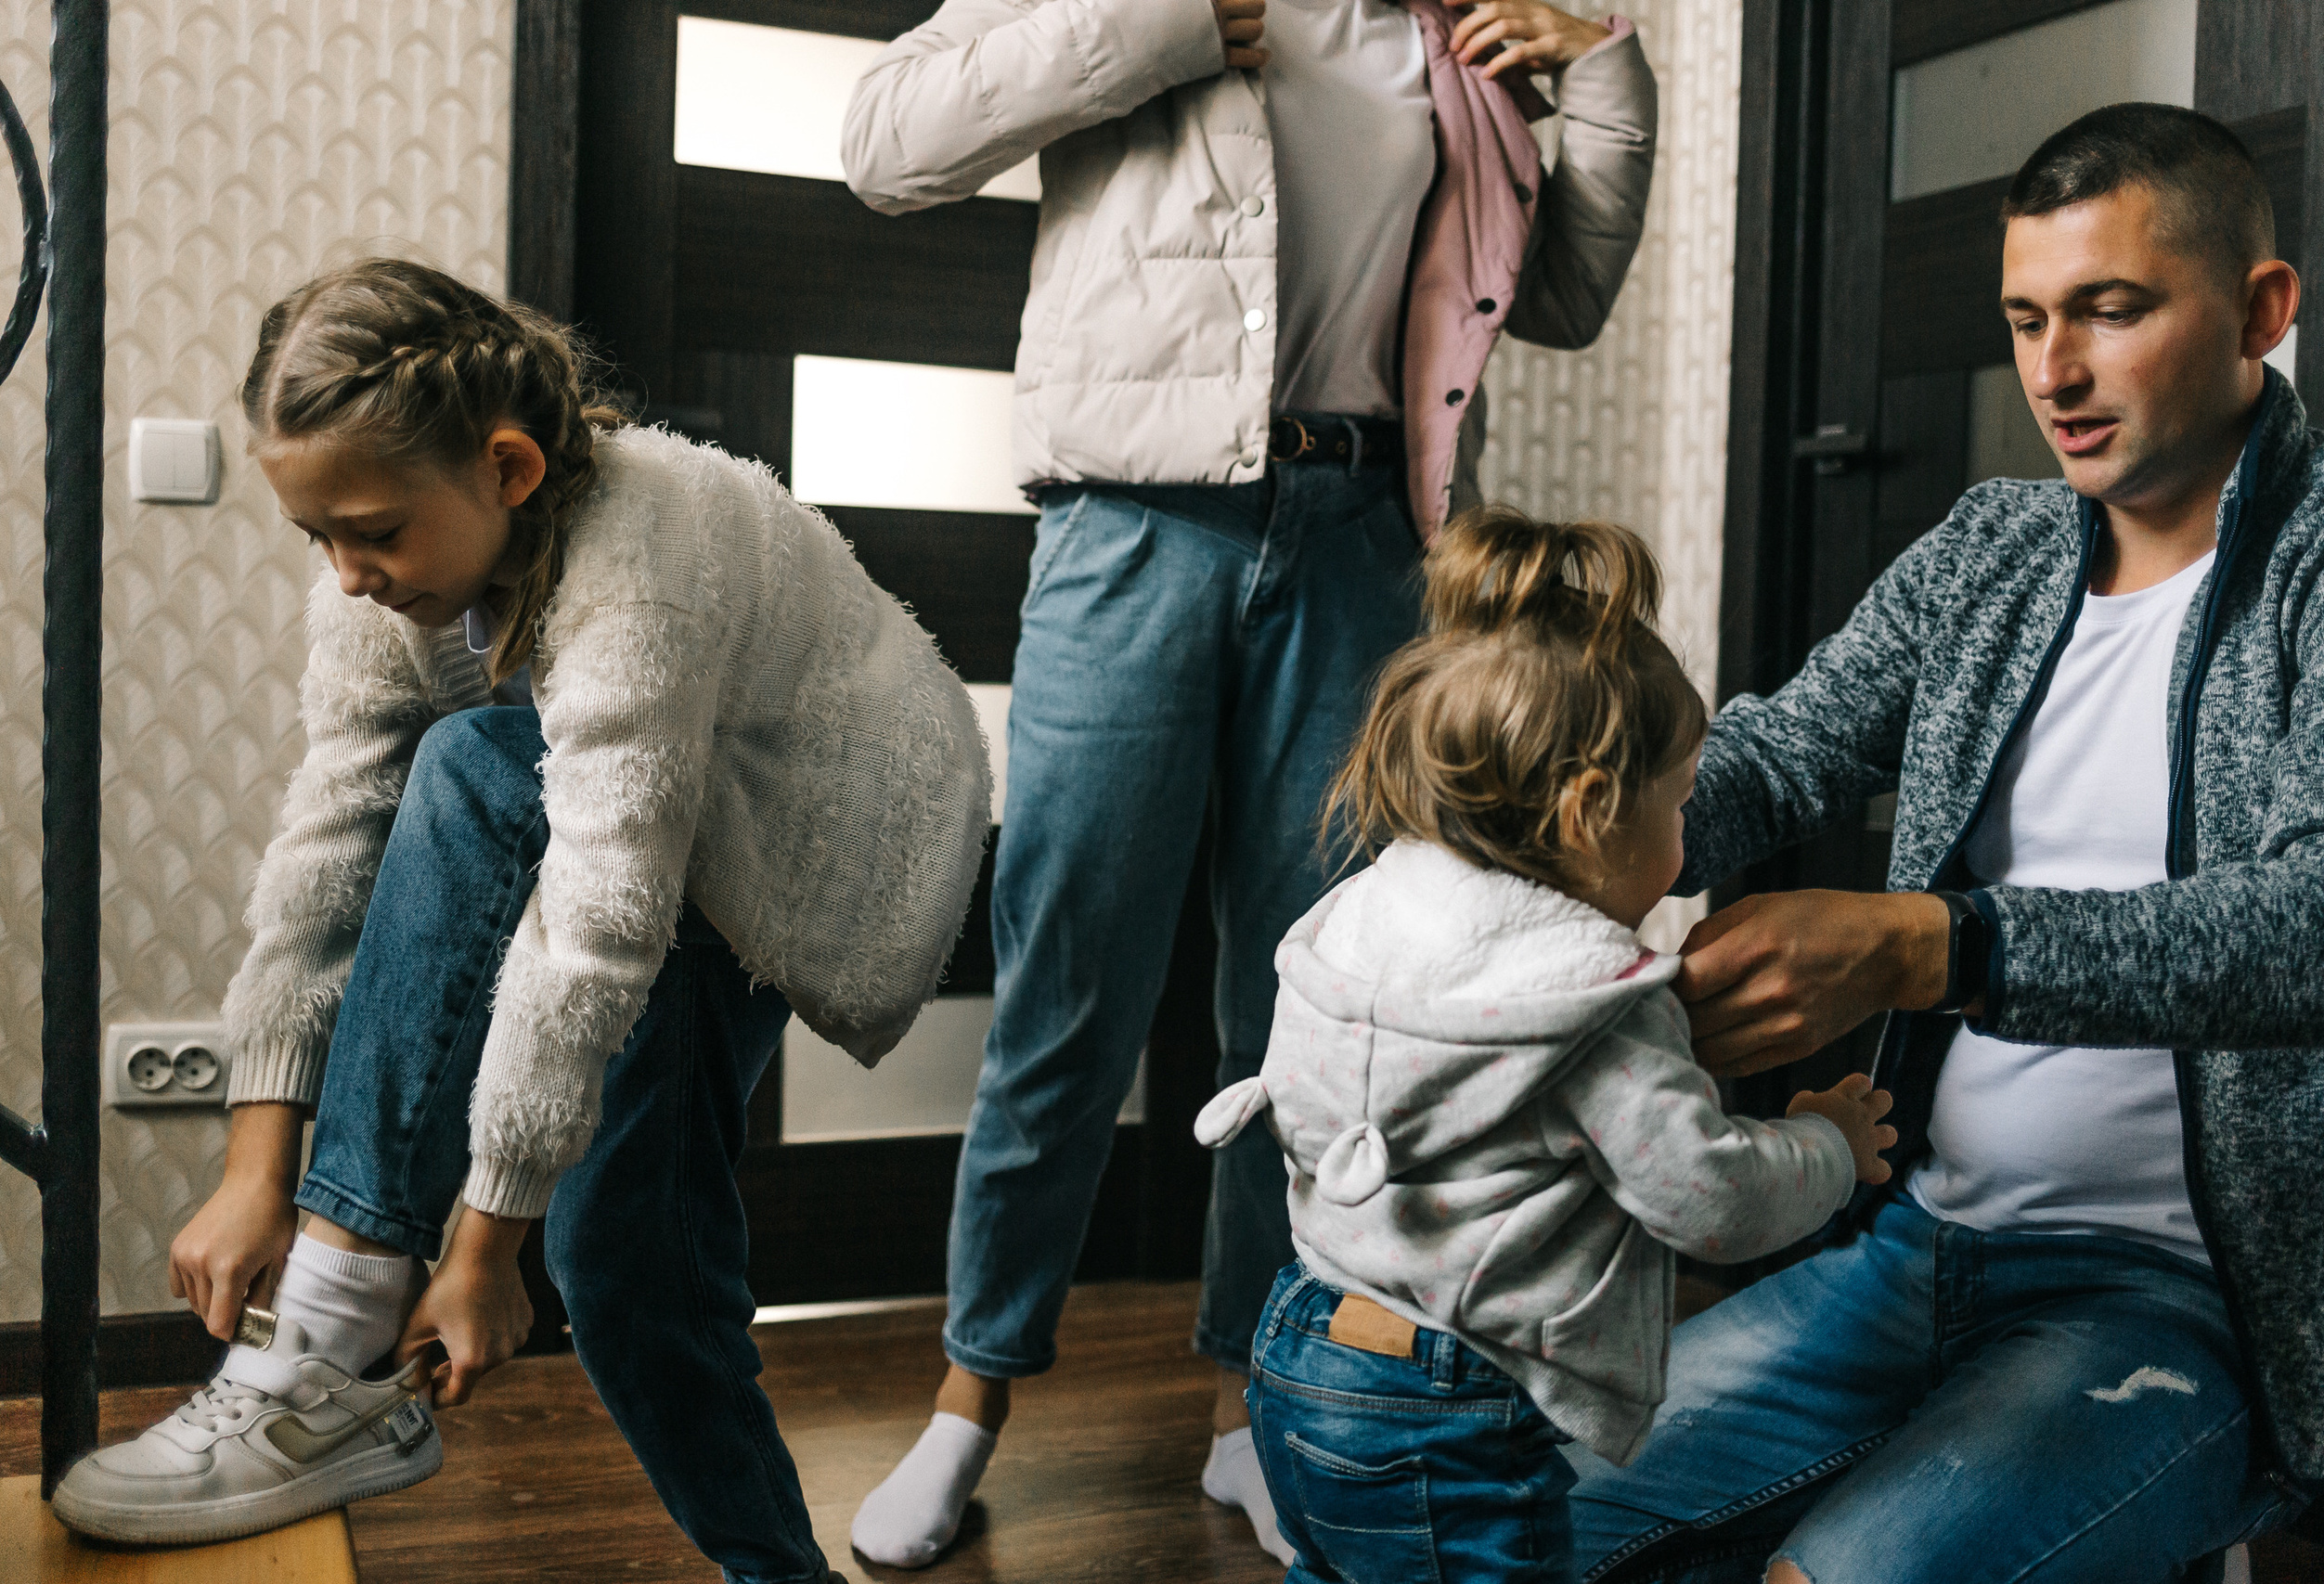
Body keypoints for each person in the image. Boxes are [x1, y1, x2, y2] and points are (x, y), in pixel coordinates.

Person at [840, 0, 1658, 1565]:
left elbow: (1560, 291)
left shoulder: (1442, 35)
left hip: (1364, 538)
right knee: (1066, 985)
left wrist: (1603, 68)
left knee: (1318, 1012)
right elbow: (887, 145)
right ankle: (968, 1399)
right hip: (1132, 520)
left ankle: (1251, 1411)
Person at [50, 259, 988, 1584]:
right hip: (650, 805)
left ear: (507, 467)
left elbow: (598, 920)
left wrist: (484, 1243)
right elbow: (325, 852)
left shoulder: (642, 564)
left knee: (480, 774)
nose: (349, 573)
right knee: (628, 1271)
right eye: (316, 536)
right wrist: (258, 1164)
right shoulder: (372, 586)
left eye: (371, 529)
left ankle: (322, 1335)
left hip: (822, 822)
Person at [1567, 103, 2324, 1583]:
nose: (2054, 372)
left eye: (2109, 311)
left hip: (2181, 1301)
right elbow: (1773, 750)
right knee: (1495, 1519)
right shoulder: (1987, 549)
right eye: (2025, 319)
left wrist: (1943, 944)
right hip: (1916, 1245)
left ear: (2262, 309)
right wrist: (1532, 823)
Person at [1193, 509, 1897, 1581]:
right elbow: (1707, 1199)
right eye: (1678, 803)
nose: (1683, 837)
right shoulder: (1593, 1003)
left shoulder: (1357, 918)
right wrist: (1826, 1151)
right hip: (1448, 1407)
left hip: (1298, 1345)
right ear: (1586, 811)